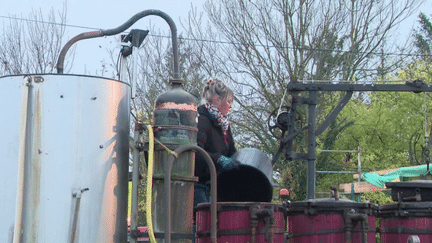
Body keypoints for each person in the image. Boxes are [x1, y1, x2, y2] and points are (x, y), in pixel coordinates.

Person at [194, 78, 238, 206]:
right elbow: (196, 151)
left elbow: (231, 151)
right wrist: (218, 159)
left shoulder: (224, 124)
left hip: (216, 186)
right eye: (229, 102)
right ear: (217, 100)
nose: (231, 106)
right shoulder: (202, 120)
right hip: (200, 187)